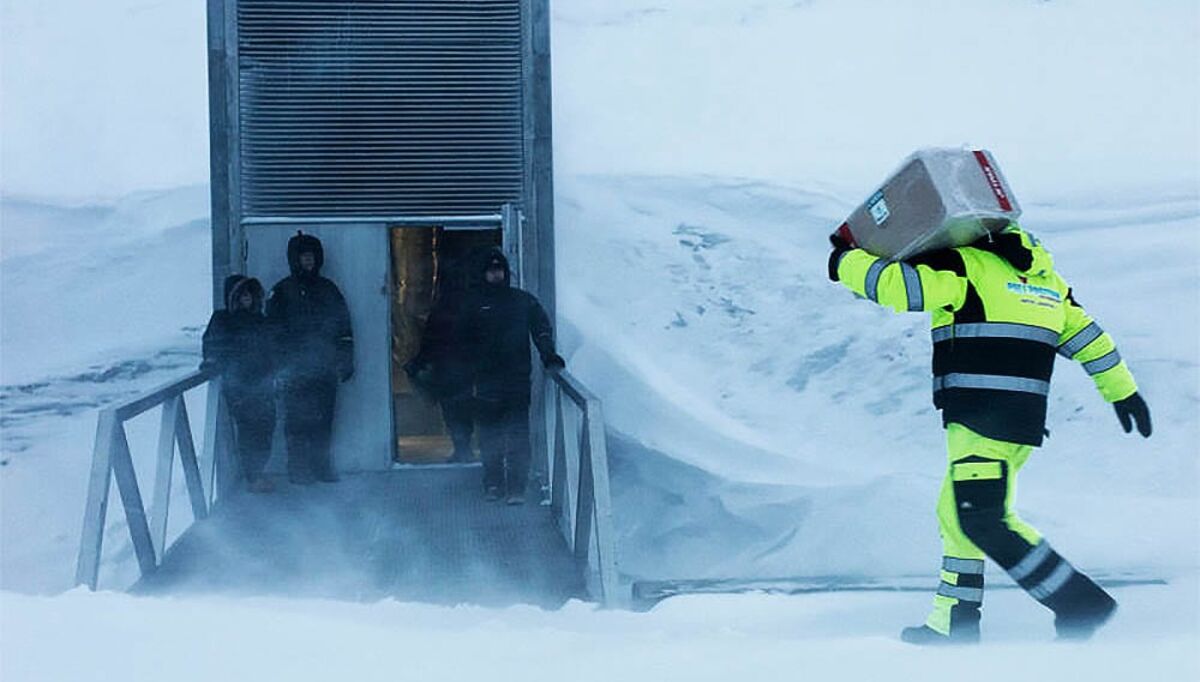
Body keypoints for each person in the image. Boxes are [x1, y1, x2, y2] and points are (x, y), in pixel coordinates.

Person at [828, 223, 1152, 644]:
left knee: (982, 518)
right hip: (1017, 421)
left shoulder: (968, 265)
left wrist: (844, 260)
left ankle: (1077, 601)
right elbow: (1091, 339)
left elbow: (902, 288)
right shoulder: (1046, 283)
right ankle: (954, 623)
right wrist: (1123, 391)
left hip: (981, 418)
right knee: (956, 513)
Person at [459, 249, 564, 505]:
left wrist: (549, 355)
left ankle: (516, 486)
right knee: (489, 436)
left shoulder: (522, 301)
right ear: (483, 273)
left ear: (506, 272)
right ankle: (493, 482)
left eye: (499, 269)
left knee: (518, 434)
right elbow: (459, 342)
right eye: (491, 270)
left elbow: (541, 330)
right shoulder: (473, 304)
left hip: (516, 382)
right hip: (485, 383)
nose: (496, 274)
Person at [267, 232, 354, 484]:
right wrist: (278, 366)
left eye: (312, 256)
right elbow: (272, 333)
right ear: (294, 259)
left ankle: (321, 466)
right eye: (304, 257)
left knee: (324, 420)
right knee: (296, 421)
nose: (309, 261)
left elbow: (344, 327)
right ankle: (298, 468)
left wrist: (346, 360)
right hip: (295, 370)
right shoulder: (281, 292)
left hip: (324, 368)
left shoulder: (329, 289)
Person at [201, 275, 276, 493]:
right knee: (249, 431)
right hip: (239, 386)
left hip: (263, 384)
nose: (247, 299)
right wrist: (212, 361)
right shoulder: (222, 320)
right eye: (243, 295)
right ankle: (253, 477)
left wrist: (276, 371)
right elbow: (212, 344)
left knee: (266, 428)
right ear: (233, 297)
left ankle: (257, 472)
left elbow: (271, 350)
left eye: (250, 295)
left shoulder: (260, 320)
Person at [406, 259, 476, 463]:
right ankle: (464, 447)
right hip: (460, 365)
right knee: (460, 408)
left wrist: (420, 362)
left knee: (454, 409)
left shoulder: (443, 308)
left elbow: (430, 339)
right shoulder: (469, 305)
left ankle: (462, 447)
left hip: (450, 365)